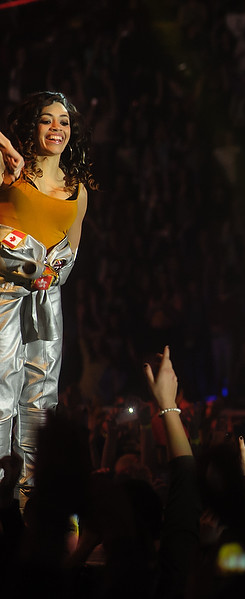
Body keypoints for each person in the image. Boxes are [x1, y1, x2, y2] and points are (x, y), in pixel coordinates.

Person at [0, 91, 92, 504]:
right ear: (30, 126)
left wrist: (53, 274)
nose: (57, 127)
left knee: (41, 397)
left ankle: (33, 499)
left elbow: (71, 250)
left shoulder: (78, 189)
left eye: (65, 121)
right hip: (3, 292)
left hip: (45, 301)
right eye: (47, 119)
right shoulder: (8, 171)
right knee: (1, 390)